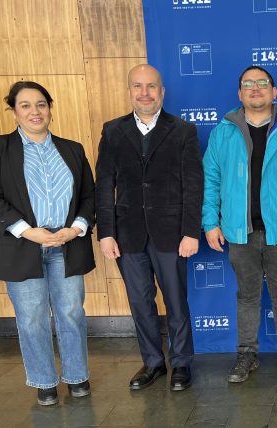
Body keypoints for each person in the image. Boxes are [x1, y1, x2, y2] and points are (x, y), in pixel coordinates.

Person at [0, 81, 95, 406]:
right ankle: (44, 380)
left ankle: (77, 376)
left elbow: (88, 196)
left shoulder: (72, 149)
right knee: (32, 317)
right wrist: (29, 231)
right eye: (25, 105)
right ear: (14, 110)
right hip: (22, 247)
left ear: (50, 108)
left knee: (71, 312)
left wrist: (76, 228)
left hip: (67, 244)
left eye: (41, 104)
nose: (35, 111)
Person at [202, 65, 277, 383]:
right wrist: (210, 222)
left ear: (274, 92)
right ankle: (246, 355)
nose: (255, 88)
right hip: (240, 232)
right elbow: (210, 179)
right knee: (247, 296)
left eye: (262, 83)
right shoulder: (223, 132)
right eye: (248, 84)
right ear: (239, 93)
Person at [95, 64, 203, 391]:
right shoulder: (112, 131)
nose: (145, 93)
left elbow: (193, 185)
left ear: (162, 92)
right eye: (138, 87)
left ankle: (181, 363)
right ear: (129, 92)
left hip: (171, 233)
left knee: (175, 302)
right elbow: (104, 185)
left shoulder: (183, 131)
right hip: (128, 235)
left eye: (151, 86)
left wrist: (190, 232)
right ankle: (153, 363)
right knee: (140, 302)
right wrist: (106, 232)